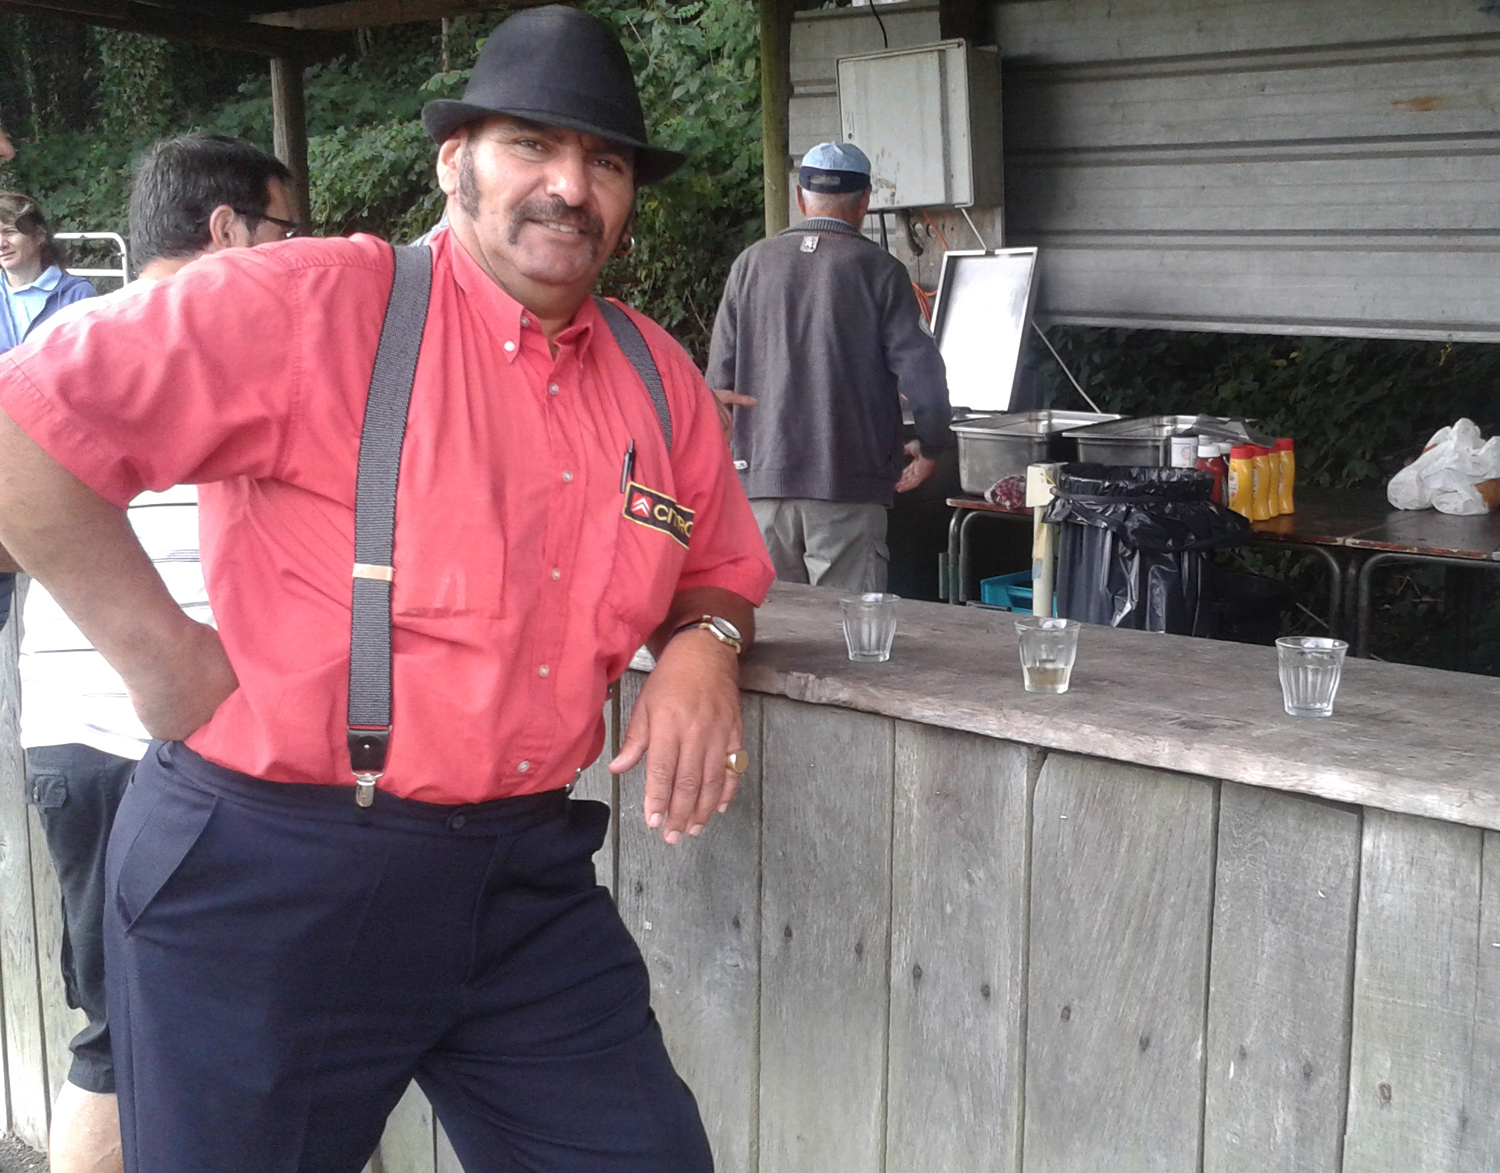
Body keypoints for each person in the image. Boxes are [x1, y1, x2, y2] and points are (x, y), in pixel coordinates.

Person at [0, 7, 773, 1173]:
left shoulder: (657, 377)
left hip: (522, 876)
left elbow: (716, 565)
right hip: (275, 873)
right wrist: (165, 665)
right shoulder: (312, 300)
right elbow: (22, 434)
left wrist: (707, 644)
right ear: (455, 161)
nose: (571, 186)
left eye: (606, 162)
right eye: (532, 145)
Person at [2, 133, 294, 1173]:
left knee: (121, 1036)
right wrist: (167, 658)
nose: (299, 255)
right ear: (226, 229)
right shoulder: (238, 354)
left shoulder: (62, 348)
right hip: (194, 742)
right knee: (223, 1028)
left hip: (75, 744)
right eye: (286, 230)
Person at [706, 140, 953, 592]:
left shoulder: (750, 265)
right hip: (847, 489)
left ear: (800, 199)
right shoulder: (880, 270)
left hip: (759, 489)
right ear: (864, 201)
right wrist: (934, 444)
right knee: (848, 627)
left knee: (777, 625)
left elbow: (717, 384)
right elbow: (923, 375)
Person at [0, 192, 95, 352]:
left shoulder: (76, 294)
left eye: (9, 232)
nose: (1, 244)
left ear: (39, 236)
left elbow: (88, 358)